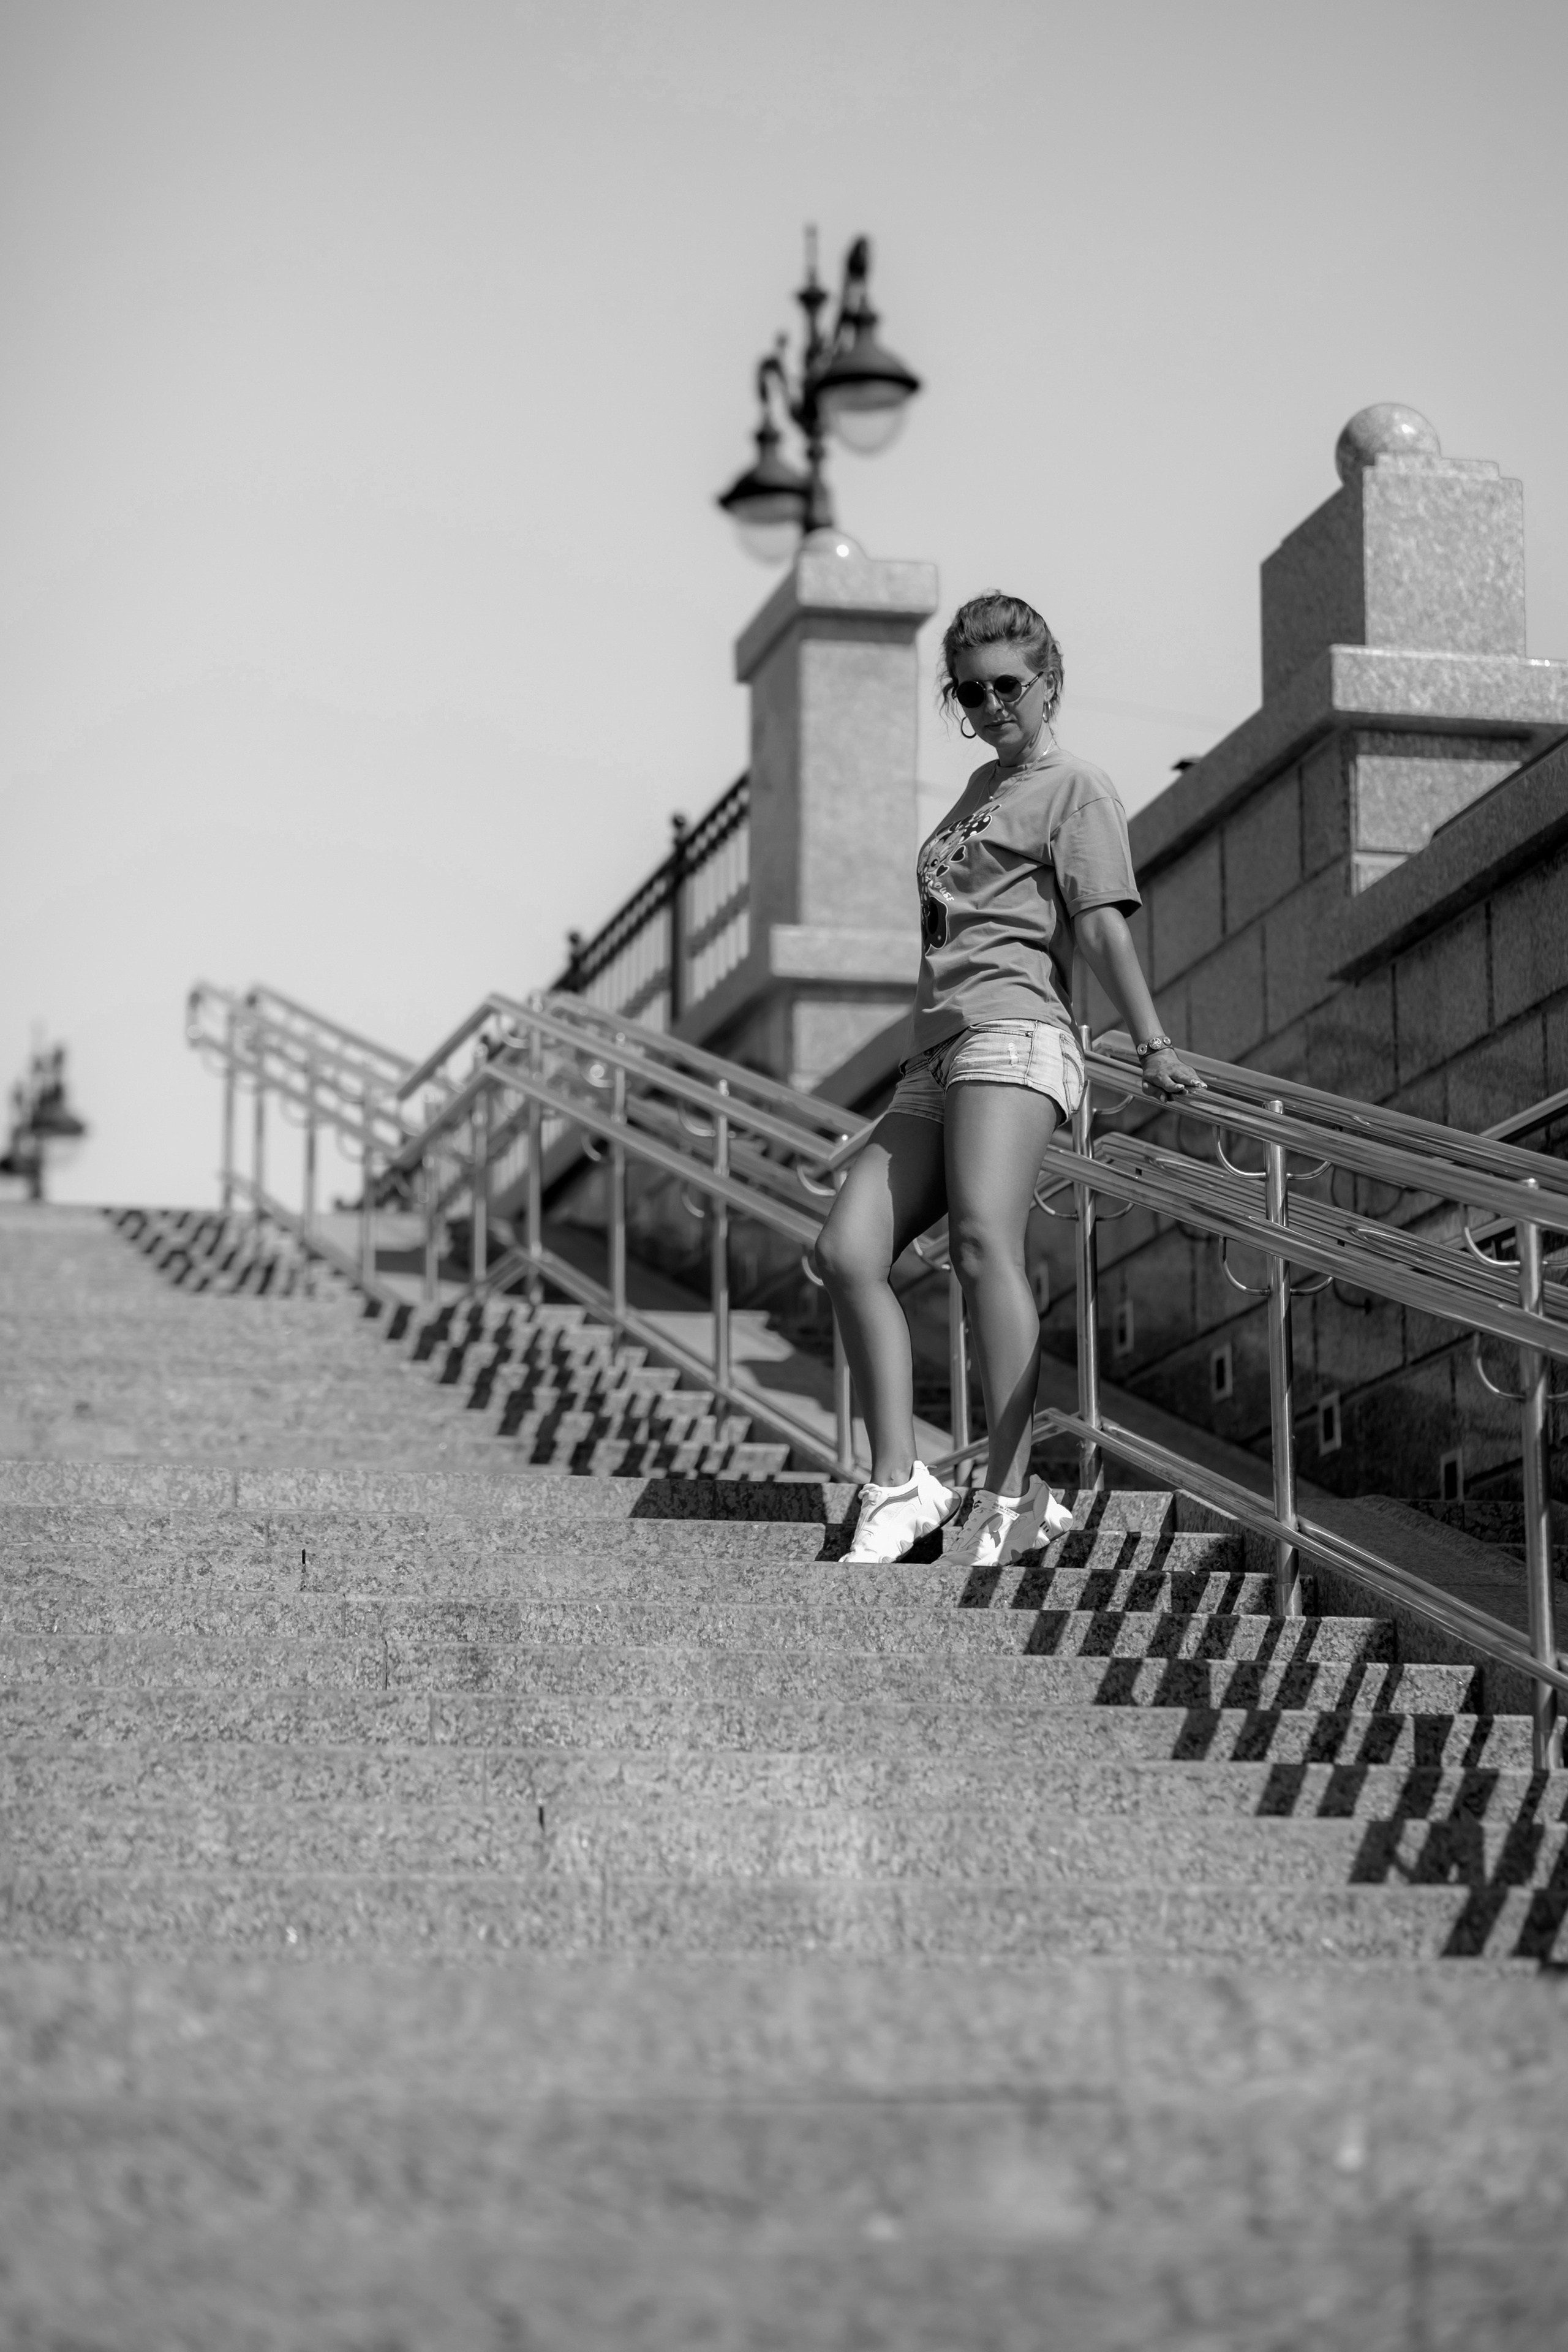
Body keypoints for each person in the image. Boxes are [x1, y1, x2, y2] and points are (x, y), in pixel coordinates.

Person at [815, 591, 1205, 1569]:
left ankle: (1013, 1492)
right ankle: (901, 1483)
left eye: (1006, 686)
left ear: (1048, 683)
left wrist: (1152, 1042)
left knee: (985, 1242)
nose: (989, 705)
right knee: (848, 1251)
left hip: (1015, 1034)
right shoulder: (977, 792)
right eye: (968, 691)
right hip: (935, 1055)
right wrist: (896, 1096)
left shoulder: (1076, 788)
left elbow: (1100, 924)